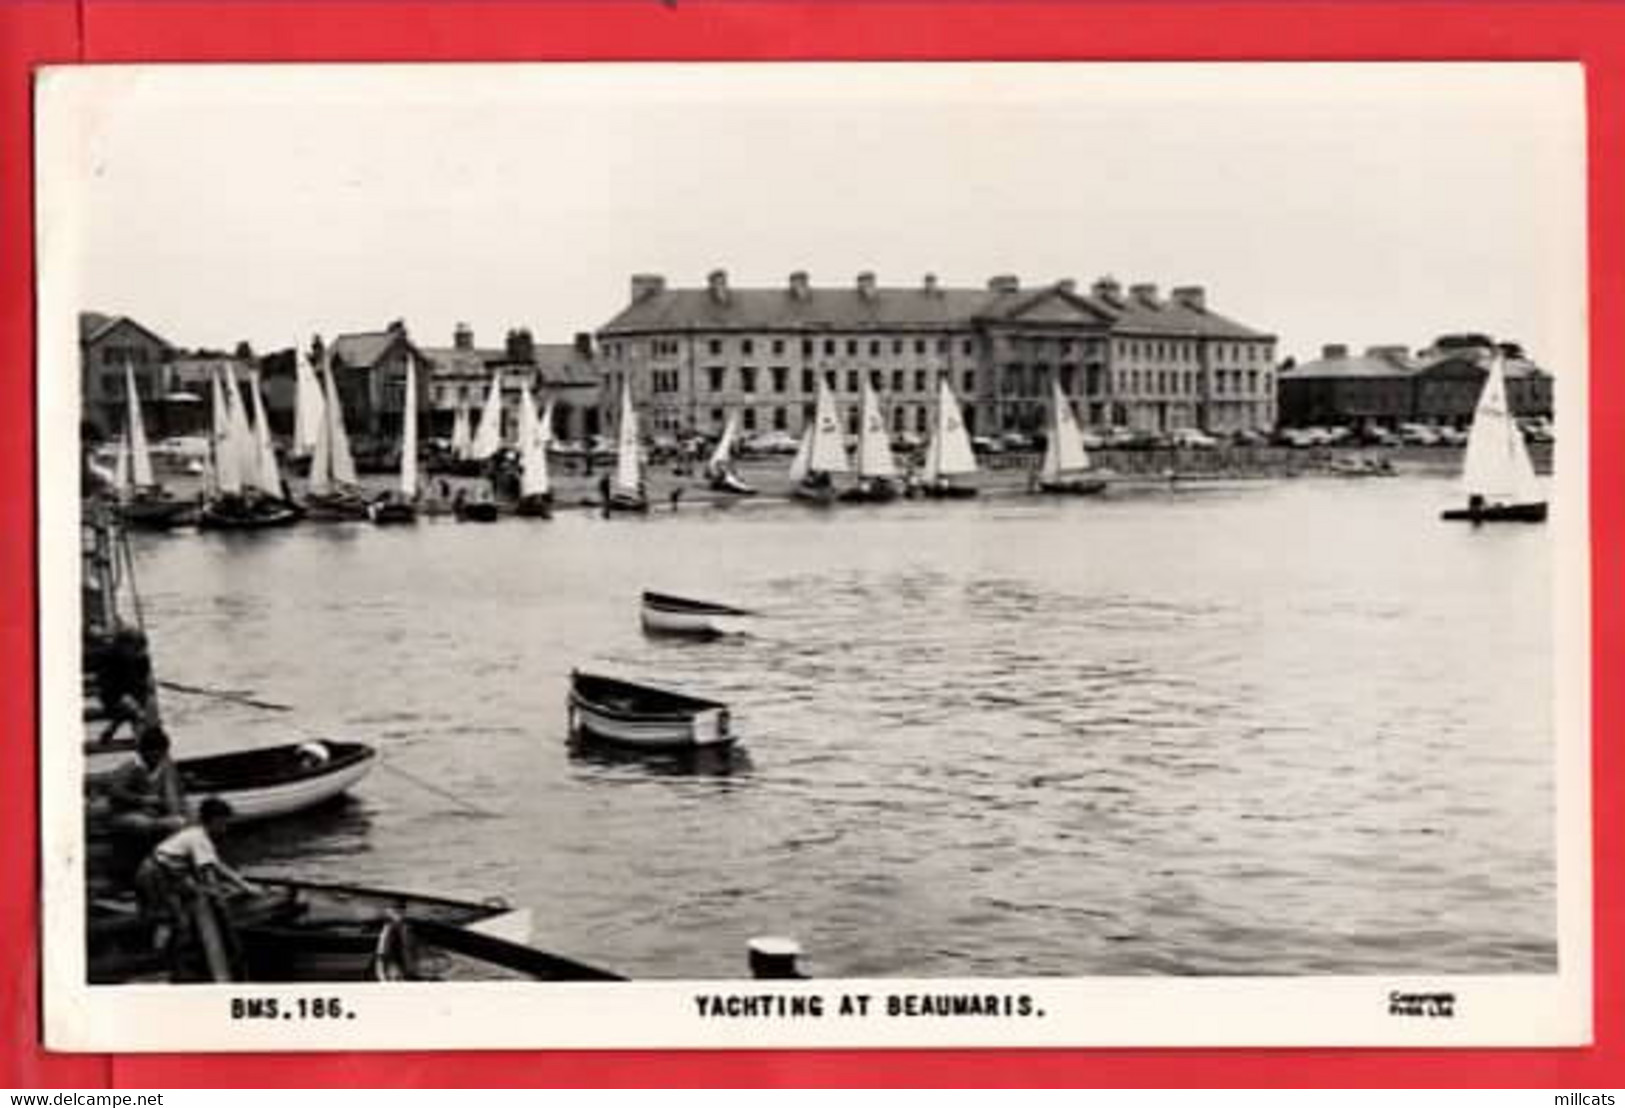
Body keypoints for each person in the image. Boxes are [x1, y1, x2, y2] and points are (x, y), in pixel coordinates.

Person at [135, 797, 261, 960]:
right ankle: (160, 959)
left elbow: (215, 863)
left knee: (175, 913)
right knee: (170, 919)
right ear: (215, 821)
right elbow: (212, 869)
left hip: (159, 871)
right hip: (155, 874)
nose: (226, 828)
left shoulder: (196, 833)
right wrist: (243, 887)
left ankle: (167, 951)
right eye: (224, 823)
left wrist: (234, 884)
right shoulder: (199, 838)